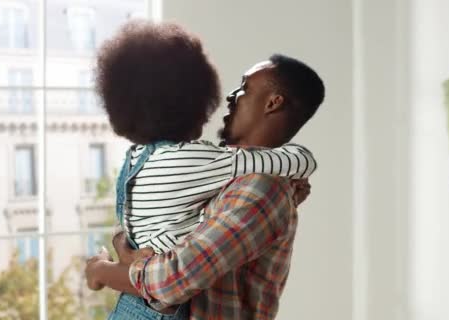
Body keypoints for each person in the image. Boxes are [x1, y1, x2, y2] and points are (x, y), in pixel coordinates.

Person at [90, 21, 319, 319]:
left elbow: (167, 284)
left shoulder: (261, 185)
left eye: (245, 89)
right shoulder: (214, 170)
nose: (230, 96)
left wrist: (111, 269)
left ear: (273, 103)